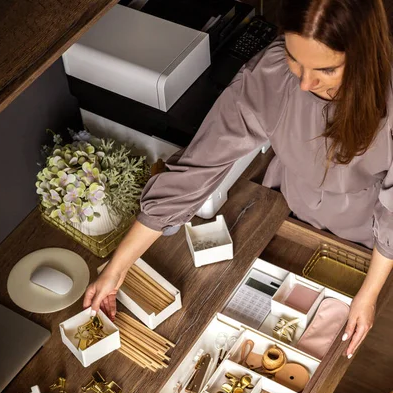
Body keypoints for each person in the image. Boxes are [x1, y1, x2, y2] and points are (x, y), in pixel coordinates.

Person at [84, 0, 393, 359]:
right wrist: (118, 268)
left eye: (325, 69)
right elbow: (198, 167)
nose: (306, 83)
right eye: (296, 60)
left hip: (366, 227)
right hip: (289, 203)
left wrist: (368, 295)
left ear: (363, 56)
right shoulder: (274, 74)